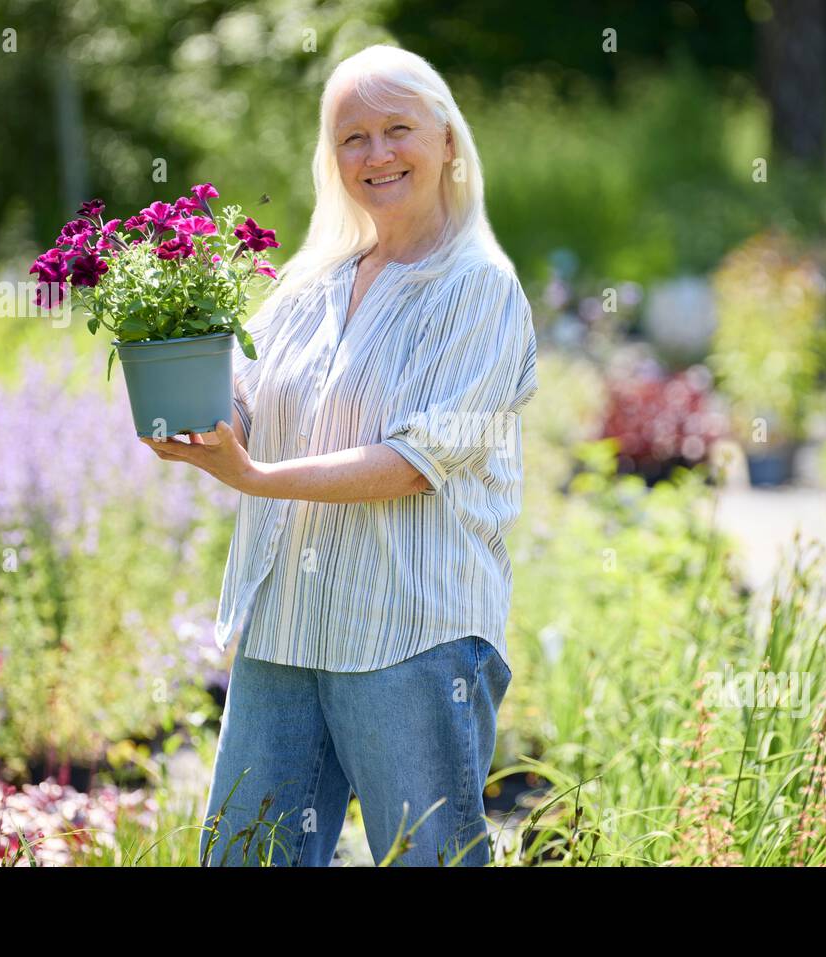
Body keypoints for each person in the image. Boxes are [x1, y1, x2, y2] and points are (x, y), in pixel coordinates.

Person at [140, 44, 539, 866]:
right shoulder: (312, 281)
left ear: (449, 141)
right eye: (352, 136)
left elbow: (410, 460)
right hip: (286, 622)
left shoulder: (480, 289)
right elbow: (252, 402)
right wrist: (194, 413)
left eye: (398, 129)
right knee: (246, 859)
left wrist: (254, 478)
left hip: (410, 635)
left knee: (430, 857)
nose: (377, 153)